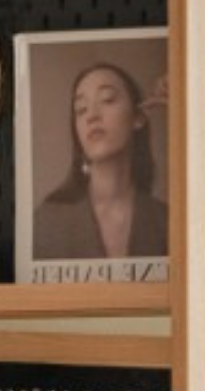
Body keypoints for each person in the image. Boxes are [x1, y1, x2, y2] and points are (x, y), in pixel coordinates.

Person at [33, 61, 168, 262]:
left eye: (107, 99)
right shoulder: (46, 222)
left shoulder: (167, 221)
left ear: (138, 117)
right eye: (81, 109)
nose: (92, 116)